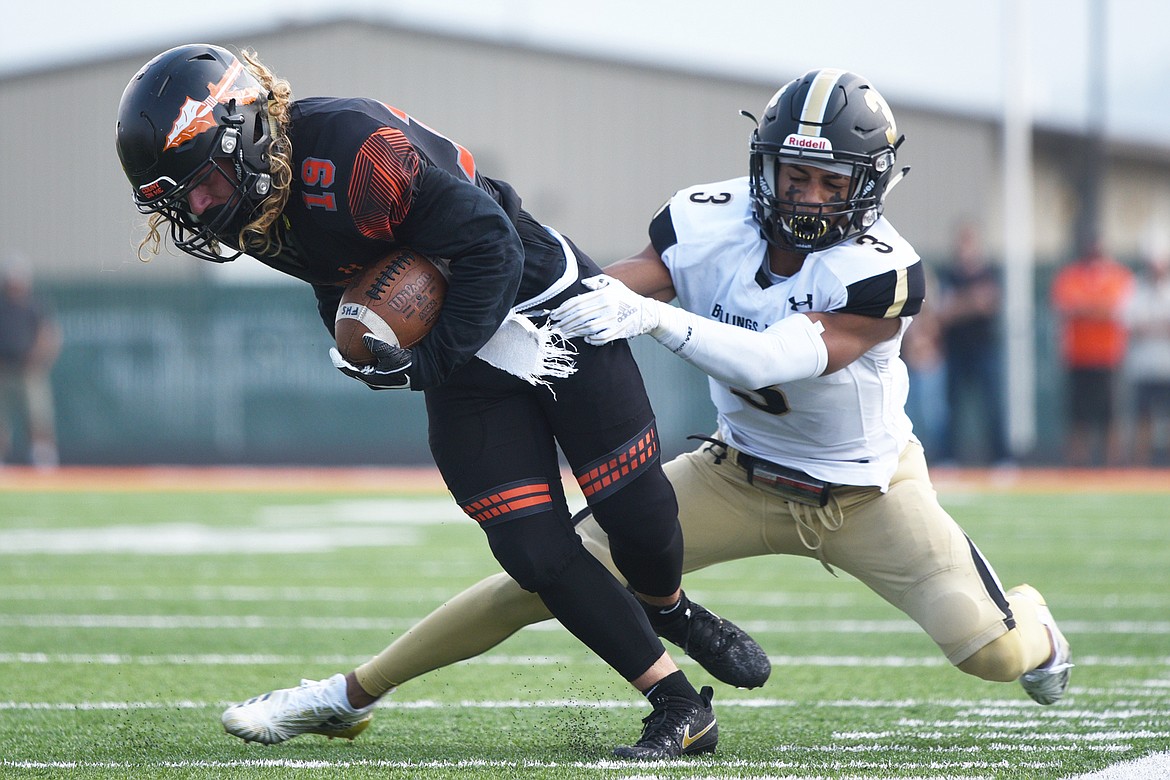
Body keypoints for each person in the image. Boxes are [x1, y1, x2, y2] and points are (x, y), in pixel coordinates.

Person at [195, 68, 1074, 748]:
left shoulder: (885, 268)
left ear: (869, 185)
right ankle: (345, 696)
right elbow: (597, 295)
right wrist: (492, 325)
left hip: (867, 491)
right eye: (795, 177)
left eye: (829, 183)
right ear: (765, 165)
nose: (808, 198)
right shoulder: (707, 221)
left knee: (991, 653)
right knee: (536, 578)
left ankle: (1033, 621)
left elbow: (780, 356)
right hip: (736, 474)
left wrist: (653, 316)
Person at [114, 43, 771, 760]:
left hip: (544, 311)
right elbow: (333, 276)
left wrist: (426, 359)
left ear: (244, 130)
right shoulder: (253, 202)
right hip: (459, 356)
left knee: (637, 519)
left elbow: (494, 247)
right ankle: (677, 705)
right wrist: (363, 342)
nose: (201, 209)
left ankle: (669, 607)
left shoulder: (358, 150)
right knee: (533, 549)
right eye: (178, 199)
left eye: (202, 183)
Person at [1050, 241, 1134, 467]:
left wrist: (1087, 309)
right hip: (1078, 356)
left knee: (1110, 413)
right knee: (1077, 414)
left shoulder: (1117, 276)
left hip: (1108, 356)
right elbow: (1067, 307)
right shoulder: (1070, 276)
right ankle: (1078, 463)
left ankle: (1112, 464)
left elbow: (1115, 309)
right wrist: (1095, 309)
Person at [935, 224, 1011, 465]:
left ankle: (1001, 459)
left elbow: (988, 303)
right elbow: (944, 312)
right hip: (955, 350)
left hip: (983, 349)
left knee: (992, 405)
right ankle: (949, 458)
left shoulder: (988, 272)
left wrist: (960, 303)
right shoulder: (948, 275)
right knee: (951, 407)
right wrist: (971, 301)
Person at [0, 258, 60, 469]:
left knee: (38, 415)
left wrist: (38, 359)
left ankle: (43, 458)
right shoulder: (3, 308)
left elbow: (48, 335)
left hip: (29, 371)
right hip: (4, 370)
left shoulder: (34, 307)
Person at [1123, 250, 1170, 465]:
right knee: (1144, 415)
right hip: (1144, 365)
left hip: (1166, 363)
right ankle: (1142, 463)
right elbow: (1131, 324)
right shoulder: (1136, 288)